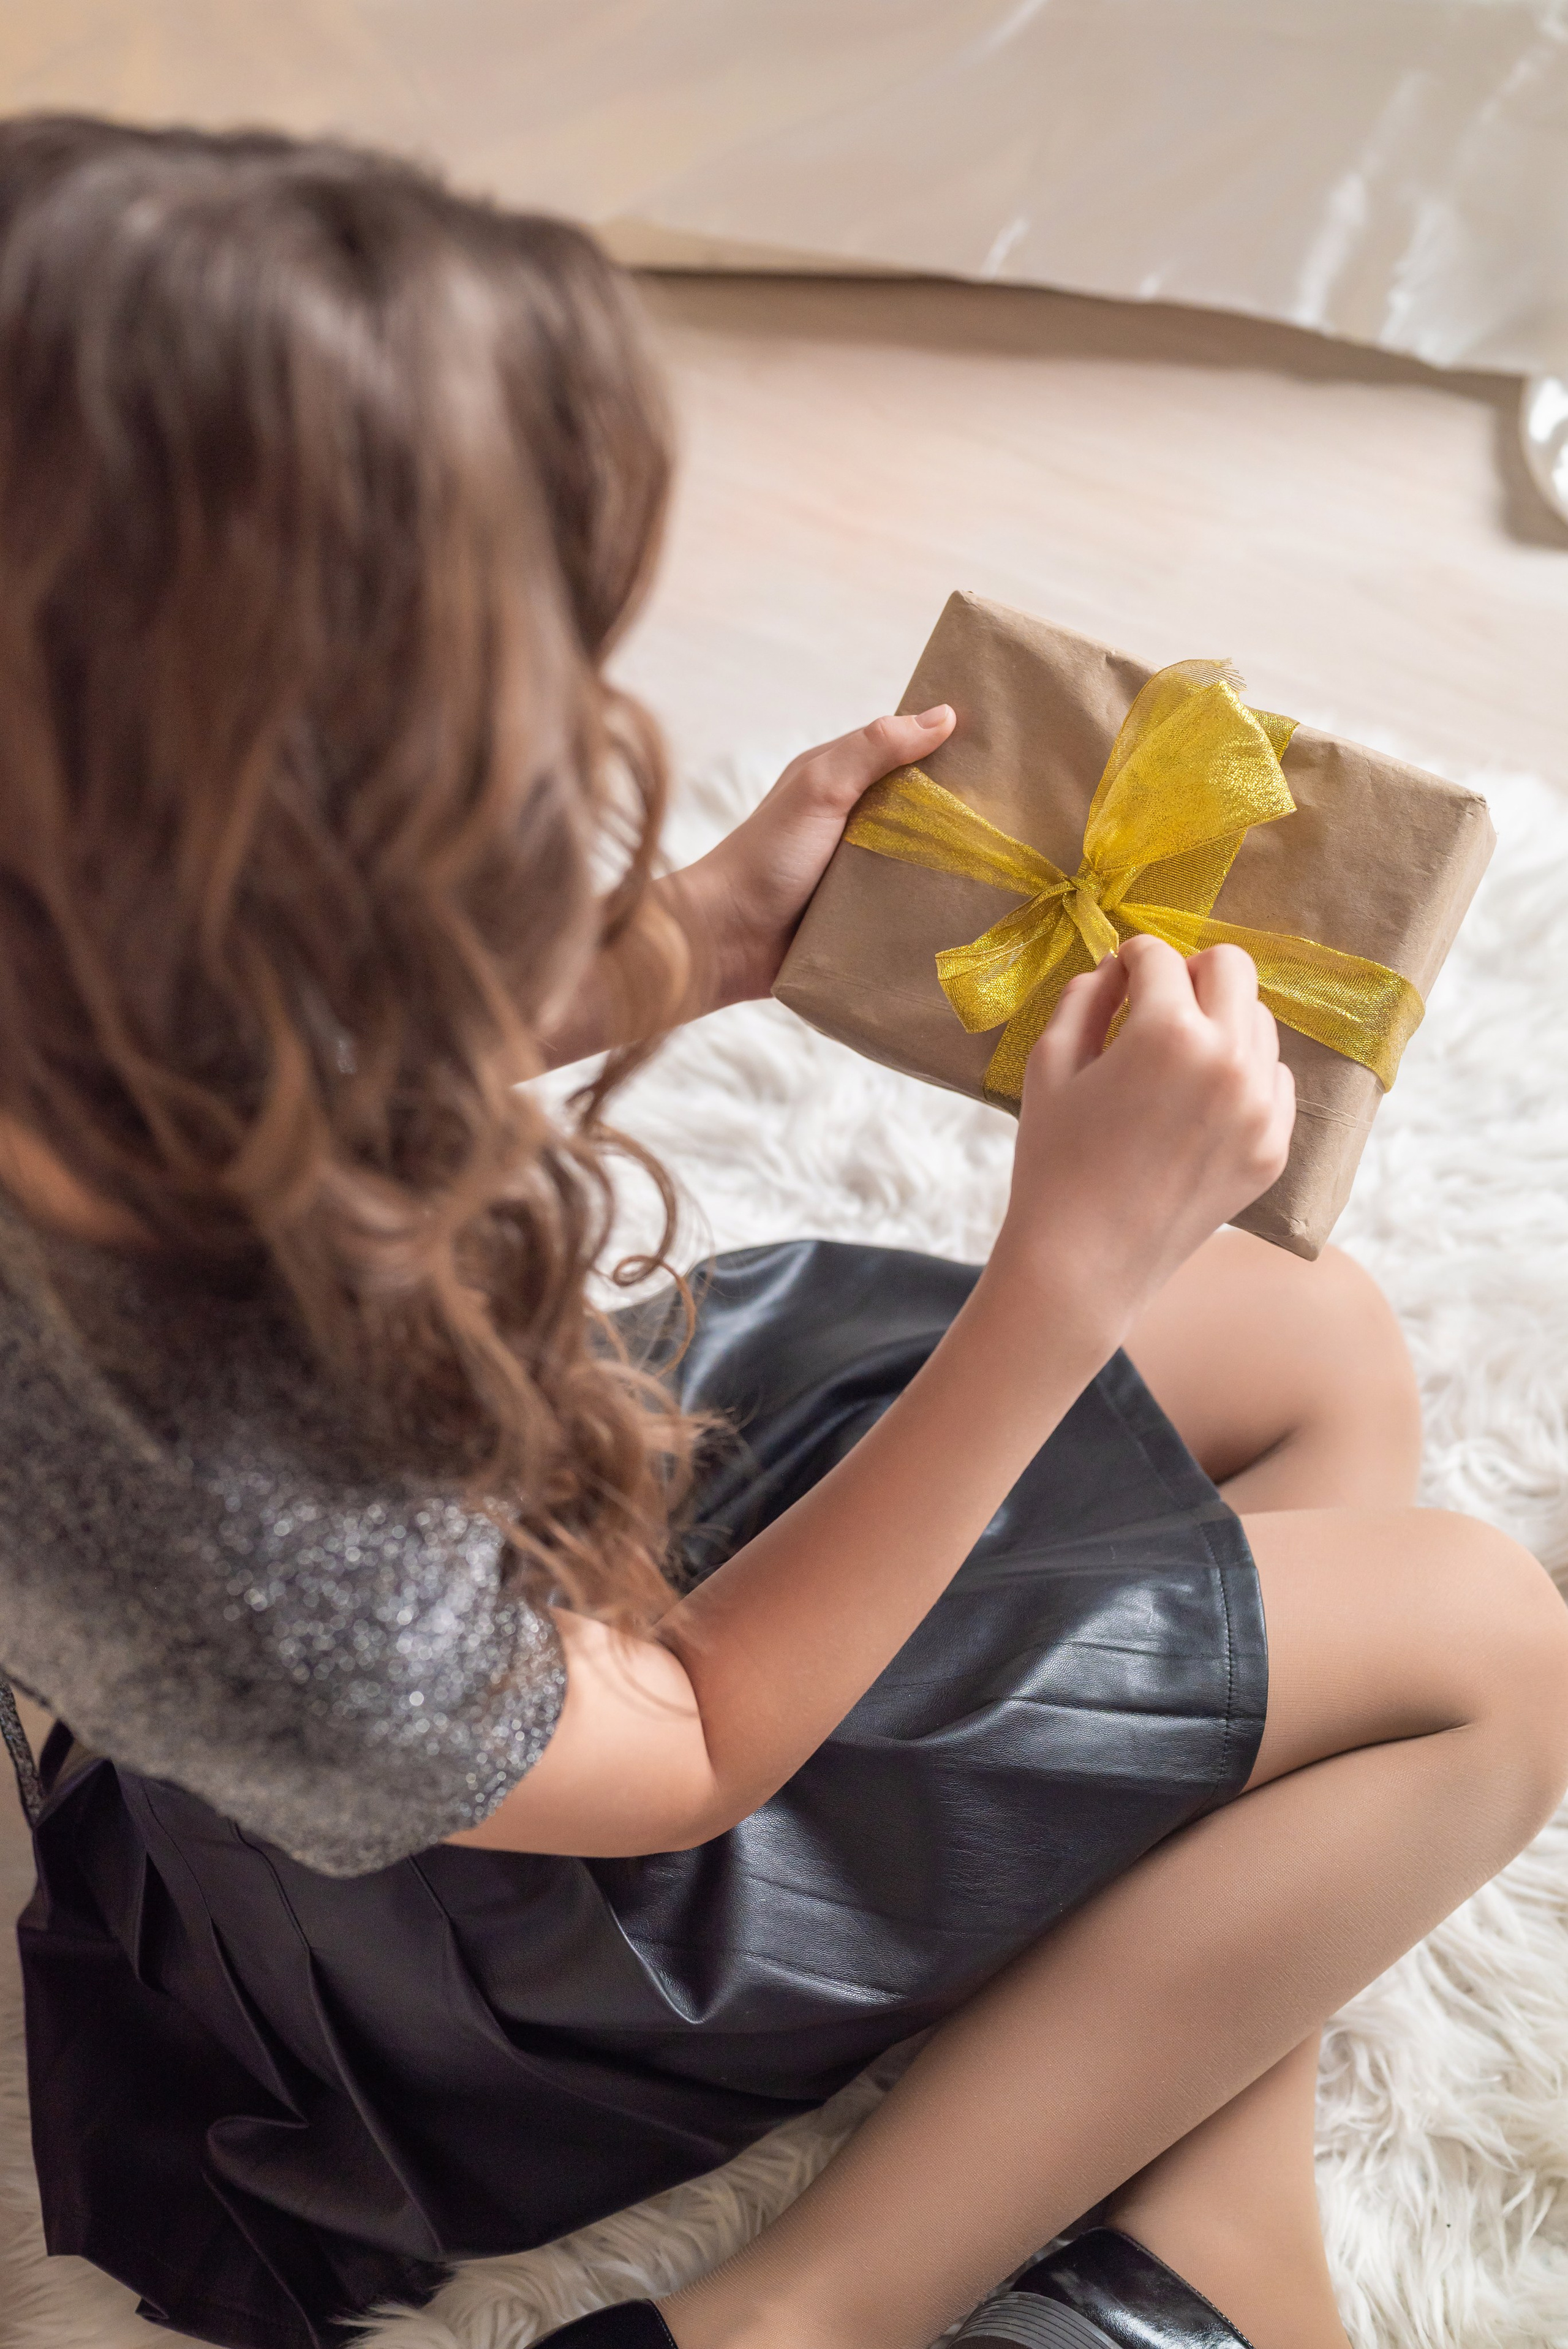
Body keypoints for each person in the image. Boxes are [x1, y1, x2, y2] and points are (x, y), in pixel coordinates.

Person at [0, 114, 1563, 2349]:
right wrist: (1058, 1281)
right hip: (480, 1926)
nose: (583, 735)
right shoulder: (249, 1497)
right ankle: (812, 2305)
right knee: (1490, 1658)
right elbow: (705, 1734)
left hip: (461, 1590)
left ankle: (1209, 2207)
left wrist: (687, 942)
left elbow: (240, 1068)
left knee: (1321, 1350)